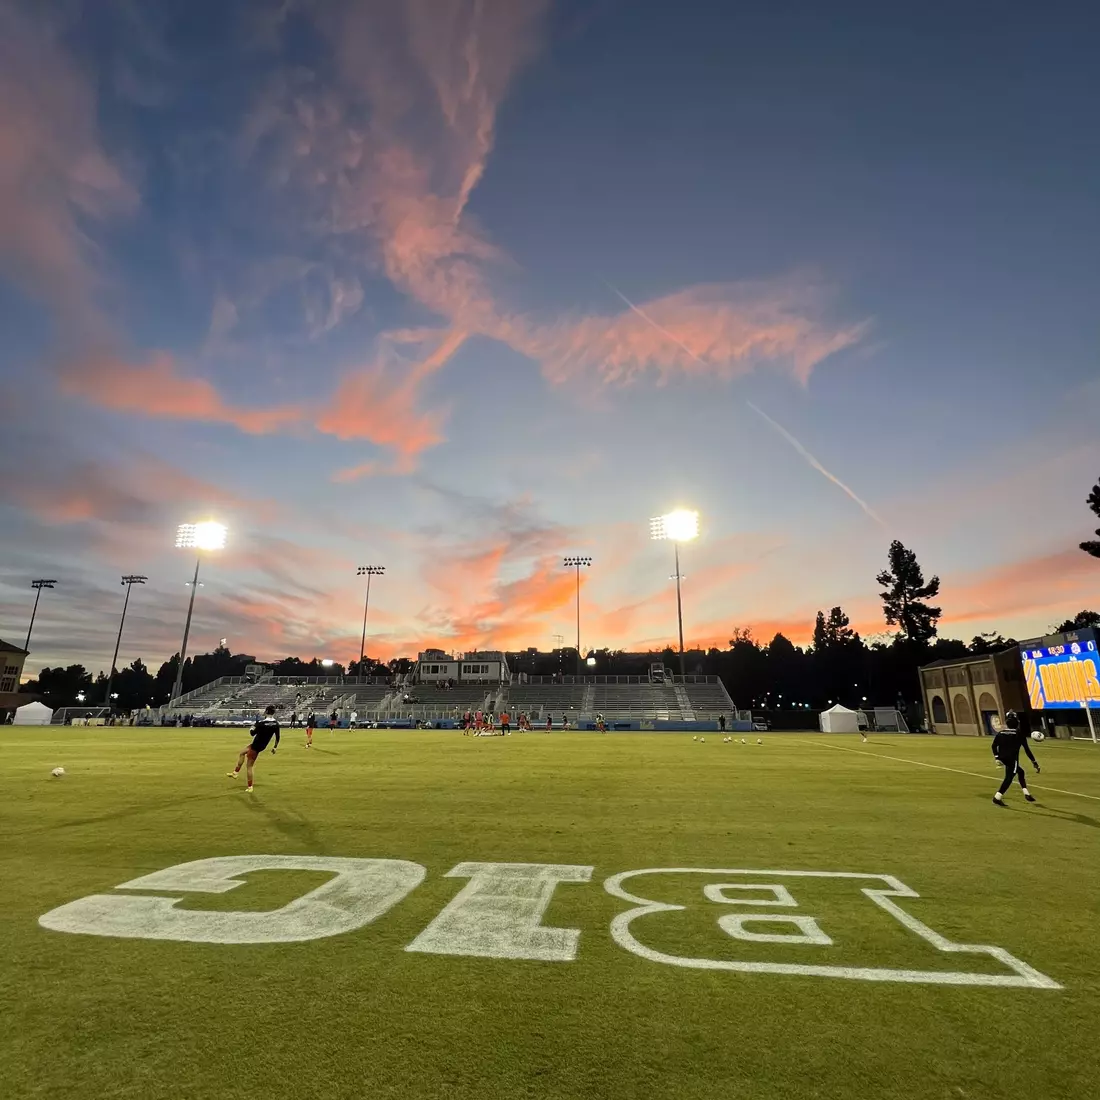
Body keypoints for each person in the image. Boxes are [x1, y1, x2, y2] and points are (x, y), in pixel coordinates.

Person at [227, 705, 281, 792]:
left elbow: (252, 733)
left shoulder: (261, 723)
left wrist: (252, 727)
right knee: (242, 753)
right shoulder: (276, 723)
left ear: (266, 711)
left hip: (256, 746)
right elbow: (278, 736)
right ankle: (235, 773)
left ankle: (250, 787)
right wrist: (275, 747)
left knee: (249, 767)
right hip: (261, 745)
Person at [992, 710, 1040, 807]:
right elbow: (1027, 750)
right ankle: (997, 797)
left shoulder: (1001, 733)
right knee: (1009, 778)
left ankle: (1027, 794)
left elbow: (993, 746)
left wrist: (997, 757)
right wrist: (1034, 762)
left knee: (1021, 772)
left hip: (1003, 759)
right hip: (1012, 759)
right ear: (1017, 723)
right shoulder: (1019, 734)